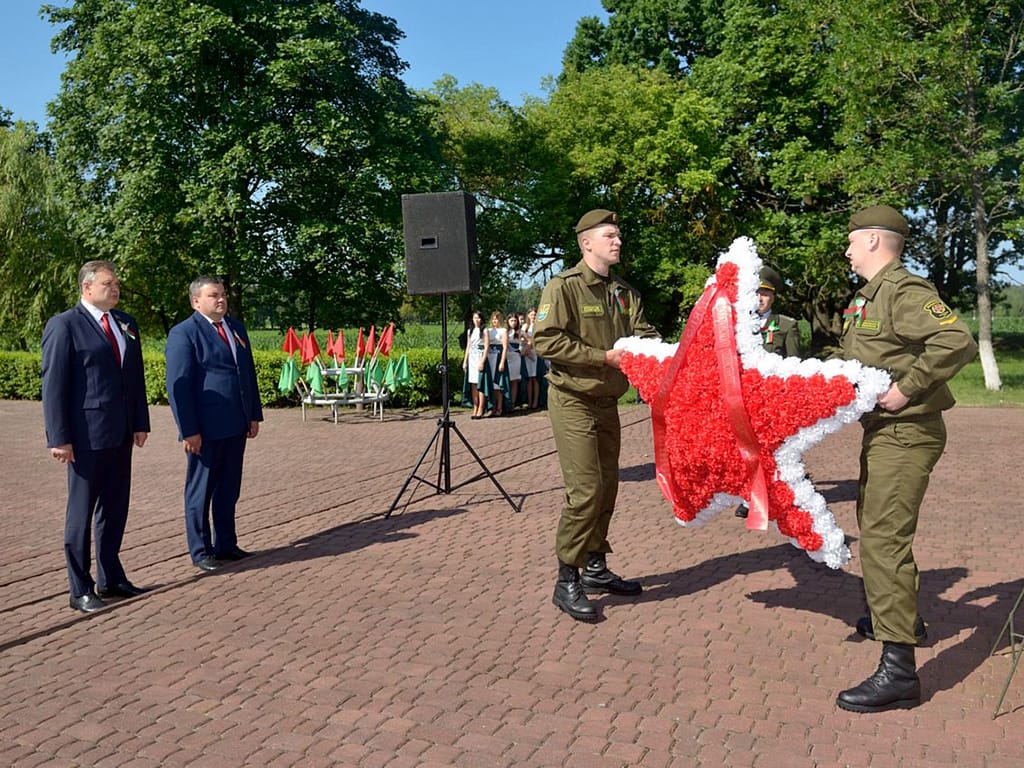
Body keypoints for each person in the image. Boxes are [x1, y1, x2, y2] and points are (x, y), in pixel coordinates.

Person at [832, 205, 976, 713]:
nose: (847, 250)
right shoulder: (867, 299)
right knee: (875, 529)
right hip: (885, 432)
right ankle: (897, 617)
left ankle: (899, 672)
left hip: (907, 431)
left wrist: (907, 389)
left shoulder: (903, 291)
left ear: (873, 240)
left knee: (884, 540)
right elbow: (856, 360)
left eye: (852, 241)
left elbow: (956, 339)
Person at [533, 209, 660, 622]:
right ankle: (565, 577)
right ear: (586, 243)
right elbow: (545, 339)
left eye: (619, 235)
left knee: (607, 489)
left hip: (607, 402)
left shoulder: (625, 292)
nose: (617, 241)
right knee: (585, 490)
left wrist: (666, 356)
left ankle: (594, 567)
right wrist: (601, 357)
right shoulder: (564, 288)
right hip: (573, 399)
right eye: (609, 235)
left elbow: (646, 337)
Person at [42, 260, 151, 613]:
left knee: (116, 507)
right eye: (108, 283)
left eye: (117, 283)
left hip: (120, 432)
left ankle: (111, 577)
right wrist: (58, 436)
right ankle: (80, 588)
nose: (115, 288)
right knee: (81, 512)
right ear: (86, 288)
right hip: (85, 436)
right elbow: (54, 384)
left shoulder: (126, 324)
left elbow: (134, 378)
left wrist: (140, 422)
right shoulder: (65, 325)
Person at [165, 276, 263, 572]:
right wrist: (189, 430)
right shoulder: (184, 333)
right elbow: (178, 387)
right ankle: (200, 550)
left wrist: (253, 414)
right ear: (196, 302)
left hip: (236, 423)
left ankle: (226, 544)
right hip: (205, 429)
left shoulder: (235, 328)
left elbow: (246, 373)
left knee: (228, 488)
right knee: (200, 490)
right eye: (213, 295)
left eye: (222, 294)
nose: (221, 300)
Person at [737, 266, 803, 518]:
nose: (760, 298)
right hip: (744, 401)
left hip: (775, 402)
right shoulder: (737, 327)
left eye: (765, 293)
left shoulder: (786, 325)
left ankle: (786, 490)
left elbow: (795, 366)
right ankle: (750, 496)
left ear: (773, 297)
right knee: (747, 450)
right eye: (756, 293)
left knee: (778, 451)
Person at [462, 310, 487, 419]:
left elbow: (487, 347)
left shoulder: (484, 331)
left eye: (478, 318)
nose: (476, 320)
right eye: (474, 318)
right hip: (471, 358)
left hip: (479, 356)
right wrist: (465, 361)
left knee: (480, 383)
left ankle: (481, 407)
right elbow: (468, 346)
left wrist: (482, 361)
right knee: (473, 384)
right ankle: (475, 406)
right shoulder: (469, 331)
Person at [484, 310, 508, 416]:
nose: (495, 321)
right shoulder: (488, 330)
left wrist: (502, 361)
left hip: (498, 356)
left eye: (497, 319)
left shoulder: (503, 331)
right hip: (490, 357)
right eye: (493, 319)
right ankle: (491, 406)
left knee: (498, 384)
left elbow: (505, 347)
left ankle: (500, 407)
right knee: (491, 385)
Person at [522, 307, 541, 410]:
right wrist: (527, 350)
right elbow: (522, 338)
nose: (533, 316)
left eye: (535, 315)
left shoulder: (539, 325)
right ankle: (529, 401)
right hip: (528, 354)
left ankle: (535, 401)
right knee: (529, 378)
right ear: (528, 315)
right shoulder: (525, 326)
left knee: (535, 378)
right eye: (531, 314)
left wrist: (529, 344)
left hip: (535, 353)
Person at [505, 313, 524, 411]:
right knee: (506, 379)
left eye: (515, 321)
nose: (513, 322)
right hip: (506, 356)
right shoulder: (505, 331)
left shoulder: (520, 331)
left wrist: (523, 351)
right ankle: (505, 402)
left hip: (516, 357)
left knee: (514, 380)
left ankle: (512, 403)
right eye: (511, 320)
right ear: (508, 321)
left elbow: (530, 341)